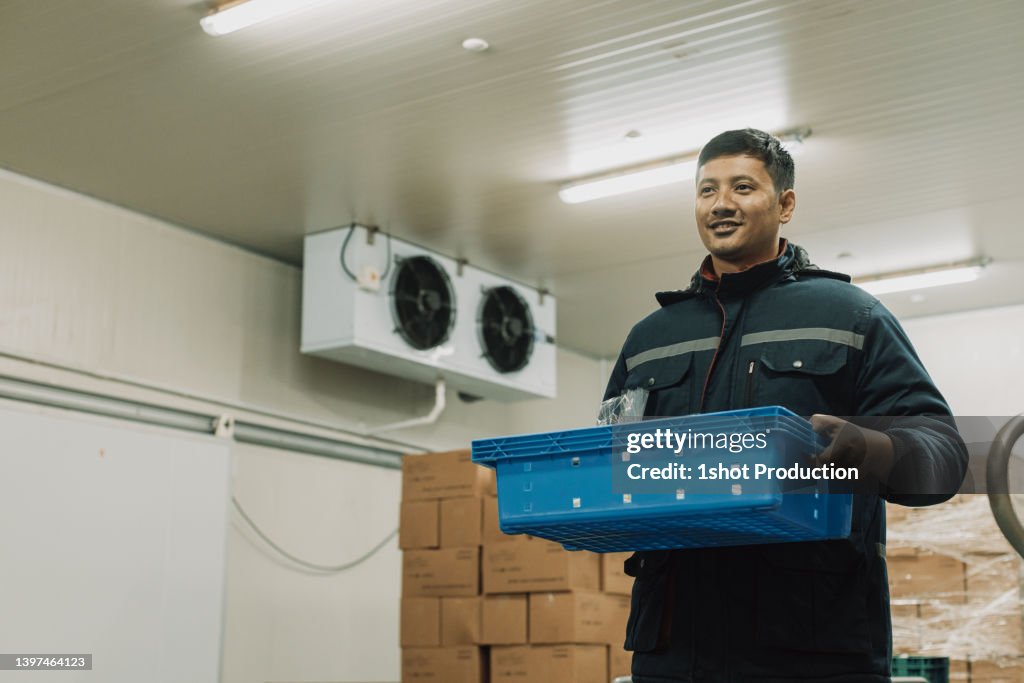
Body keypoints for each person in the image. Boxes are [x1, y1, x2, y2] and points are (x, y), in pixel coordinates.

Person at [602, 128, 968, 682]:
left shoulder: (849, 317)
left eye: (742, 186)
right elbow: (616, 461)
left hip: (810, 649)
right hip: (675, 650)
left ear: (785, 204)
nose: (721, 204)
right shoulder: (651, 337)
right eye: (707, 191)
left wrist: (873, 450)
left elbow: (945, 450)